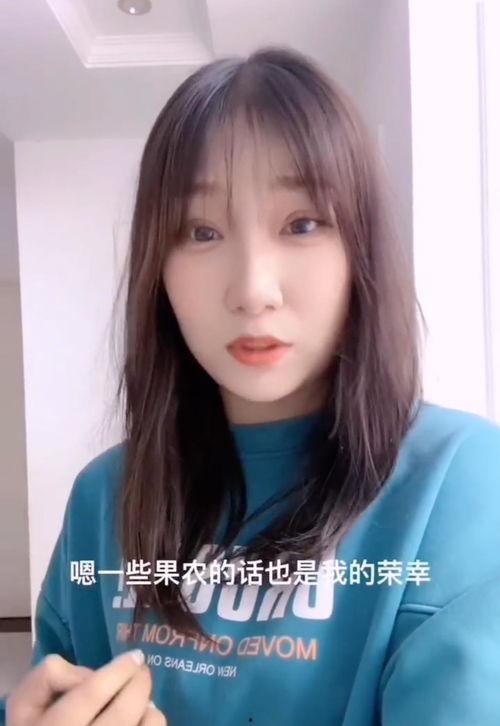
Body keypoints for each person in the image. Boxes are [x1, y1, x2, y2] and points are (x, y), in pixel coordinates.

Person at [2, 45, 500, 726]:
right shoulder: (105, 496)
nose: (252, 290)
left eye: (302, 224)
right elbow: (54, 691)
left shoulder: (463, 482)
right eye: (201, 231)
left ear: (361, 247)